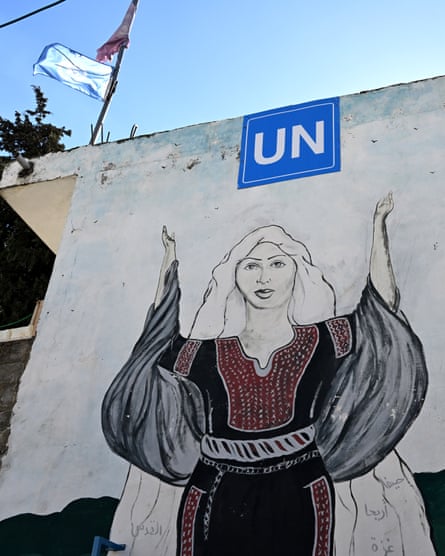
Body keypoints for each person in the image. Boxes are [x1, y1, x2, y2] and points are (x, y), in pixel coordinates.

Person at [102, 194, 428, 556]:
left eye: (276, 264)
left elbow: (380, 311)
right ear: (235, 276)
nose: (264, 277)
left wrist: (378, 226)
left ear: (296, 271)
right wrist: (169, 259)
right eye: (251, 266)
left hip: (300, 487)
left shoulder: (322, 339)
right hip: (215, 490)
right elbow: (159, 340)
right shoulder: (209, 352)